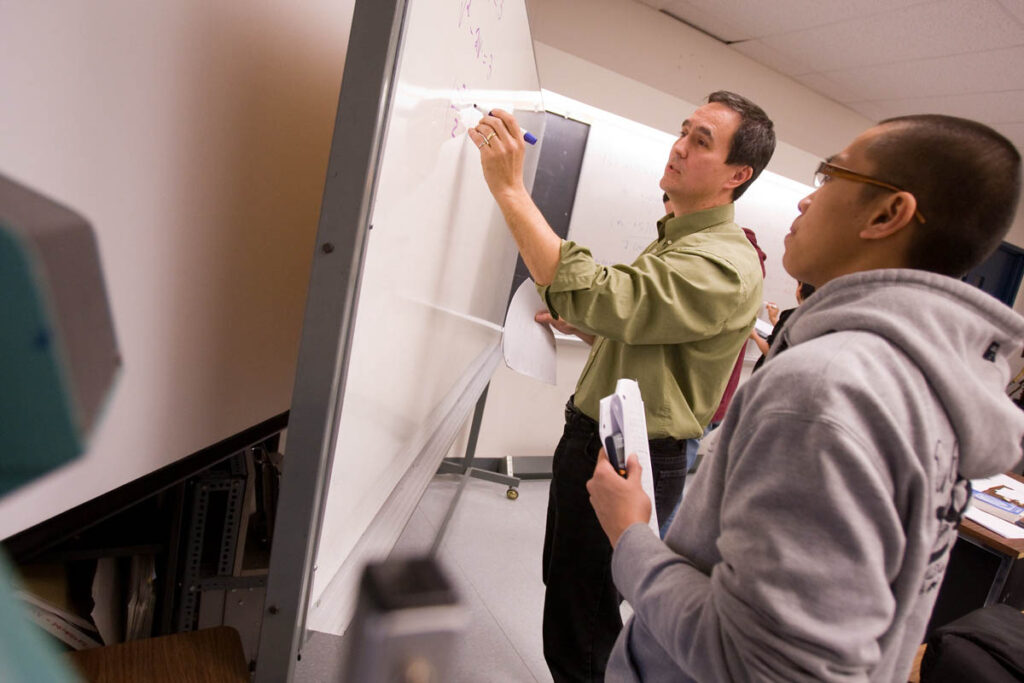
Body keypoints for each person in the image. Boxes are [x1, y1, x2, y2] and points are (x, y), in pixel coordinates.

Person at [587, 114, 1024, 681]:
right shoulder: (927, 387)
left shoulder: (827, 389)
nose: (802, 203)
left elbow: (763, 666)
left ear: (889, 213)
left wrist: (631, 537)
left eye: (828, 176)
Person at [470, 91, 775, 681]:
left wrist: (510, 189)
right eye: (683, 130)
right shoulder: (681, 238)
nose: (680, 146)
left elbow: (604, 295)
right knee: (570, 595)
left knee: (582, 622)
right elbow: (650, 342)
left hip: (627, 454)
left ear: (738, 175)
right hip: (598, 440)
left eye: (701, 141)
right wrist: (592, 332)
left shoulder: (720, 262)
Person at [750, 280, 815, 372]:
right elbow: (789, 335)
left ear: (800, 288)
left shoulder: (791, 315)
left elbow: (770, 352)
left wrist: (754, 335)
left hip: (770, 373)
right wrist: (773, 318)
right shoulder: (818, 316)